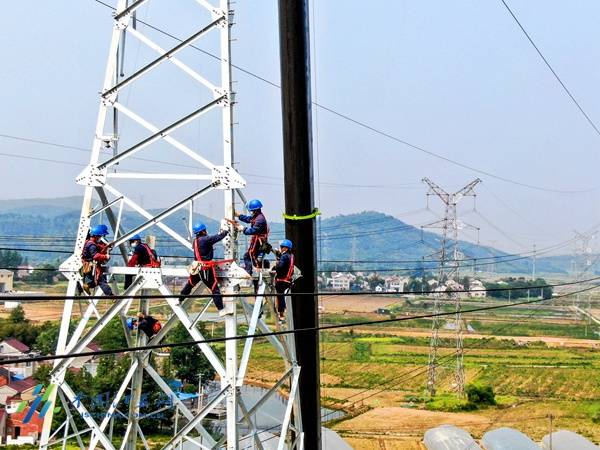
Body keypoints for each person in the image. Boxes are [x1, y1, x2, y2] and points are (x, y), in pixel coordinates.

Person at [179, 222, 230, 315]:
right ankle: (221, 309)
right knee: (214, 288)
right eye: (205, 230)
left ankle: (179, 299)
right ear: (203, 231)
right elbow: (218, 237)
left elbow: (203, 248)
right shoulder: (205, 239)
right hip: (205, 268)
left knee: (190, 284)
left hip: (196, 267)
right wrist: (226, 231)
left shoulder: (196, 241)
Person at [236, 199, 270, 290]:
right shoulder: (258, 216)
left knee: (250, 256)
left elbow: (252, 230)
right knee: (250, 256)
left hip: (258, 241)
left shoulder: (259, 220)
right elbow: (249, 219)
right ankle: (252, 271)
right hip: (259, 240)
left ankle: (250, 272)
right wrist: (239, 216)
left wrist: (243, 229)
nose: (251, 212)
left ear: (254, 210)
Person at [81, 224, 113, 295]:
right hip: (92, 265)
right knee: (101, 281)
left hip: (88, 265)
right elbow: (95, 256)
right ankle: (111, 295)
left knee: (96, 281)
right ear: (96, 236)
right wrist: (105, 256)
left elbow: (99, 247)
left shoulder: (89, 242)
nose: (100, 237)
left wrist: (107, 246)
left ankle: (86, 286)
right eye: (100, 236)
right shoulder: (92, 245)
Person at [271, 239, 295, 322]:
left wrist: (274, 267)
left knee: (280, 296)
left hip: (282, 280)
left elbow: (280, 266)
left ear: (286, 248)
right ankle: (281, 312)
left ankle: (281, 313)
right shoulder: (291, 256)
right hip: (288, 280)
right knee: (281, 296)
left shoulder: (284, 256)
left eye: (282, 247)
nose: (281, 248)